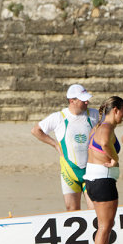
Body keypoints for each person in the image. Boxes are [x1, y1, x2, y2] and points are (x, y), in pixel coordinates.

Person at [31, 83, 100, 212]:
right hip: (69, 172)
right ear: (72, 101)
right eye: (83, 100)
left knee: (95, 209)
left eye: (87, 99)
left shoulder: (94, 115)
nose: (87, 102)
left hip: (91, 171)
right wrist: (55, 144)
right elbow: (36, 130)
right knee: (72, 209)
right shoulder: (59, 118)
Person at [84, 95, 123, 244]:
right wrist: (115, 159)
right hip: (103, 181)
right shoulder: (107, 127)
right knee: (105, 226)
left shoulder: (97, 127)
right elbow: (102, 144)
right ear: (115, 110)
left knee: (103, 225)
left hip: (92, 180)